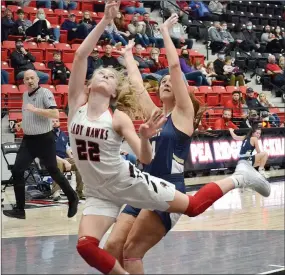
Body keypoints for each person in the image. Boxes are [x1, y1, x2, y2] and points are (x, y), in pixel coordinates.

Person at [68, 3, 270, 274]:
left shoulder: (183, 114)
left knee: (131, 252)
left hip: (168, 184)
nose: (165, 82)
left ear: (181, 90)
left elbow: (174, 66)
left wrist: (164, 31)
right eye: (161, 81)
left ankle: (240, 176)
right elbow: (138, 85)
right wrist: (128, 56)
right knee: (113, 246)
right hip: (140, 185)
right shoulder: (155, 115)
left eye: (170, 83)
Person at [2, 69, 78, 220]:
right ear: (23, 82)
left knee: (53, 171)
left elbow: (55, 114)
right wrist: (21, 124)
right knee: (17, 170)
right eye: (27, 79)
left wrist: (35, 109)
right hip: (28, 140)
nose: (30, 81)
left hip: (44, 139)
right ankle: (20, 209)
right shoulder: (25, 95)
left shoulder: (45, 93)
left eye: (32, 78)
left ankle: (73, 197)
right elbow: (29, 115)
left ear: (37, 79)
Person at [51, 118, 84, 201]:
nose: (55, 123)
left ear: (59, 123)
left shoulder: (63, 134)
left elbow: (67, 148)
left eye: (56, 121)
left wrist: (72, 158)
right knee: (58, 163)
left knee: (80, 162)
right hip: (51, 159)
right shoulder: (46, 135)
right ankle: (56, 191)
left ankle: (79, 191)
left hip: (64, 159)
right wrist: (65, 161)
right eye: (52, 121)